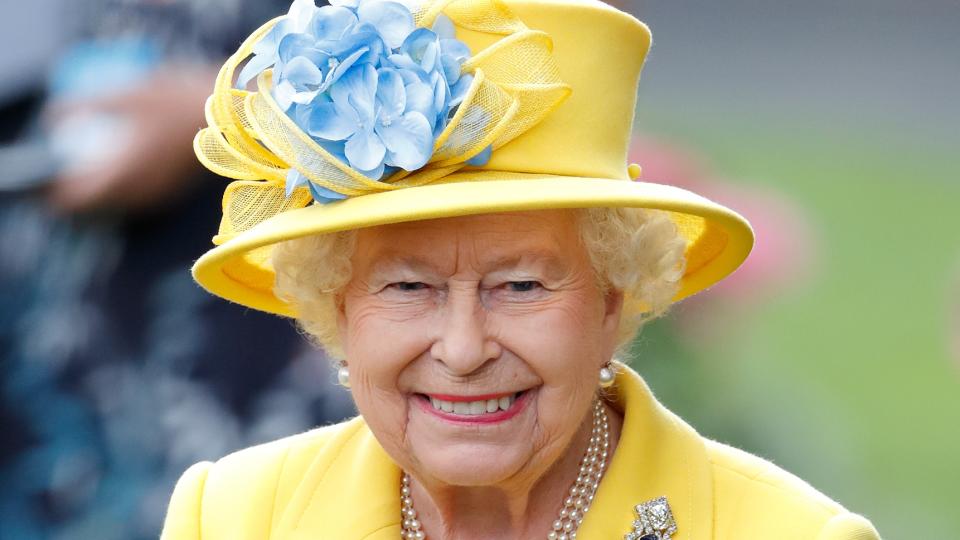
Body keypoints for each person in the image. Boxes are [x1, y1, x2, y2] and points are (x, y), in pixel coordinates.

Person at [161, 0, 881, 538]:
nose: (465, 350)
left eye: (521, 286)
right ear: (337, 309)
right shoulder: (231, 517)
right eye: (409, 287)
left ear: (612, 302)